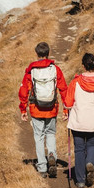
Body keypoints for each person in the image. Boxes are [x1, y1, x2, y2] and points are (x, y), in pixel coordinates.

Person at [18, 41, 68, 178]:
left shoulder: (31, 71)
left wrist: (23, 110)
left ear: (37, 54)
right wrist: (66, 110)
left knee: (39, 137)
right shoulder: (55, 70)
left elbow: (23, 91)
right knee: (50, 133)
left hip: (36, 109)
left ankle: (42, 167)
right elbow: (64, 89)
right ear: (48, 53)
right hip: (52, 108)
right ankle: (52, 155)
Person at [64, 52, 94, 188]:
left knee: (79, 149)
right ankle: (90, 162)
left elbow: (68, 103)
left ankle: (80, 180)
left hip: (78, 121)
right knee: (92, 145)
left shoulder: (75, 82)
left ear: (83, 66)